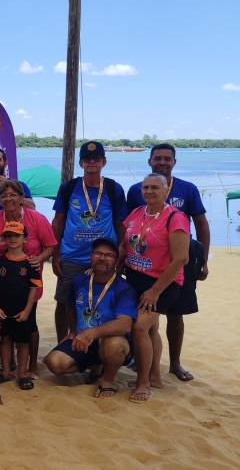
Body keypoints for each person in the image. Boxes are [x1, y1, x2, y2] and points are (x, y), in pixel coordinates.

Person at [126, 143, 210, 382]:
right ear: (149, 161)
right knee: (149, 324)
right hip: (143, 265)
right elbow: (132, 226)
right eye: (157, 158)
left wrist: (203, 261)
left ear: (174, 161)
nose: (162, 162)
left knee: (176, 314)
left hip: (177, 262)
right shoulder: (135, 191)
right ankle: (148, 365)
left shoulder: (188, 189)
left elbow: (201, 224)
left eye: (167, 158)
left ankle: (174, 363)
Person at [121, 173, 190, 403]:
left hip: (162, 283)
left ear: (166, 190)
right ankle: (155, 376)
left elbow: (180, 259)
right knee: (150, 329)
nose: (149, 191)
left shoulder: (176, 217)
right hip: (135, 277)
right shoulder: (136, 213)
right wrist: (108, 267)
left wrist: (155, 291)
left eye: (155, 187)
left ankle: (143, 383)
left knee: (140, 328)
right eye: (145, 187)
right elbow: (124, 246)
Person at [0, 179, 56, 379]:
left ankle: (33, 366)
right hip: (3, 282)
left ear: (22, 198)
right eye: (3, 195)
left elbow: (51, 245)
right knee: (6, 324)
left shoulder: (37, 219)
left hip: (27, 280)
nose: (8, 199)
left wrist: (40, 258)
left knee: (30, 324)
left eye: (13, 195)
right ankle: (9, 364)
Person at [52, 141, 127, 342]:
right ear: (80, 163)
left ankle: (99, 345)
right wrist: (55, 253)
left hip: (105, 258)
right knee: (64, 302)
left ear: (104, 161)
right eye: (87, 159)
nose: (91, 162)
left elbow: (121, 225)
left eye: (96, 159)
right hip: (72, 257)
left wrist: (120, 254)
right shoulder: (68, 188)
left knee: (102, 303)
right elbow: (58, 222)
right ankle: (63, 341)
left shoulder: (113, 188)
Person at [45, 238, 137, 398]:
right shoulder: (79, 280)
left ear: (116, 261)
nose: (102, 258)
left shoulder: (124, 288)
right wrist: (73, 330)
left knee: (113, 343)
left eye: (109, 255)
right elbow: (70, 305)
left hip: (109, 341)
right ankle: (96, 364)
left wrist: (92, 333)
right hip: (82, 339)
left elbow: (125, 324)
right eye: (98, 253)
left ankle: (107, 380)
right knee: (54, 363)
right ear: (91, 256)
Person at [0, 222, 42, 390]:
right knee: (5, 339)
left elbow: (34, 288)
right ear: (3, 239)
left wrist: (27, 310)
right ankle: (5, 371)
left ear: (25, 238)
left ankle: (21, 374)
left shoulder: (30, 264)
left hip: (22, 311)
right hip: (3, 309)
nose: (12, 239)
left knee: (23, 342)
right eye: (8, 235)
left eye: (17, 235)